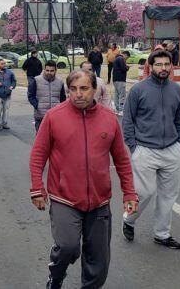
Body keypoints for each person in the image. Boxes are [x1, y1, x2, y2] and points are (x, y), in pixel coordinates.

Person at [30, 70, 138, 289]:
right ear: (68, 90)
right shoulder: (54, 117)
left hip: (99, 202)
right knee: (68, 247)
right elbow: (38, 155)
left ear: (95, 90)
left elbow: (122, 160)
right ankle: (56, 276)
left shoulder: (109, 119)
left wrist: (129, 193)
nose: (78, 94)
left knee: (99, 261)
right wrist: (36, 188)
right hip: (64, 199)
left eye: (84, 88)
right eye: (73, 89)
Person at [122, 49, 180, 250]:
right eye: (159, 64)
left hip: (172, 150)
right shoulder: (138, 90)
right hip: (145, 150)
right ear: (150, 67)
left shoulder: (176, 89)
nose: (164, 68)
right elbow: (128, 120)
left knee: (168, 196)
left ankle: (162, 234)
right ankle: (129, 220)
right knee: (145, 192)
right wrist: (133, 147)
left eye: (167, 64)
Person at [27, 60, 65, 132]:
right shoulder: (36, 80)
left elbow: (63, 98)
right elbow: (31, 95)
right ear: (44, 70)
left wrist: (60, 109)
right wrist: (37, 105)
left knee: (56, 139)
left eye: (52, 71)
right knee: (41, 140)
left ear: (55, 71)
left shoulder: (60, 81)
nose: (49, 73)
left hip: (56, 116)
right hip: (41, 116)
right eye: (47, 70)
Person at [112, 50, 130, 115]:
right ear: (125, 55)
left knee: (116, 95)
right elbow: (123, 68)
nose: (127, 59)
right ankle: (121, 109)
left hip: (115, 79)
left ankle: (117, 109)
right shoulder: (121, 59)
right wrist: (127, 67)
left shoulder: (117, 58)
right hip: (120, 79)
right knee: (122, 95)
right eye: (127, 57)